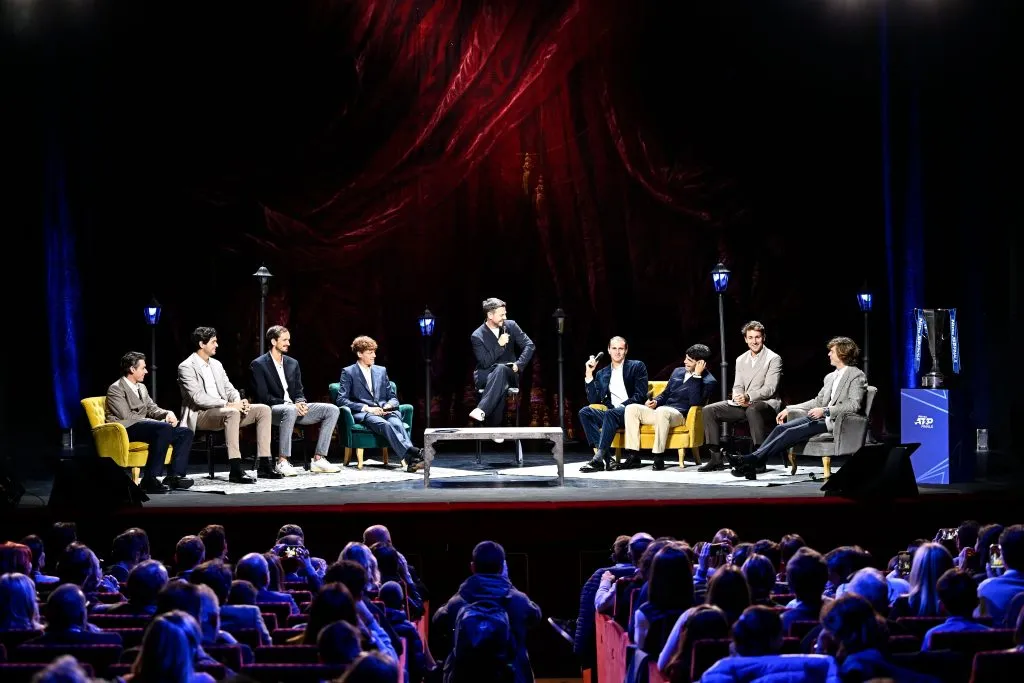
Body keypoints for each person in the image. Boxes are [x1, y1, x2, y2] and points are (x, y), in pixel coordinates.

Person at [727, 336, 867, 480]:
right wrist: (789, 409)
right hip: (821, 417)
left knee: (791, 432)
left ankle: (749, 460)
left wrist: (825, 410)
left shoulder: (856, 375)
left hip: (836, 421)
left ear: (842, 353)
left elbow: (853, 405)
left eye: (832, 351)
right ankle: (751, 463)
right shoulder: (830, 377)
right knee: (781, 428)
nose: (828, 354)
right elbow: (817, 401)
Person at [177, 326, 279, 483]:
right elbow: (198, 398)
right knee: (233, 413)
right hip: (201, 414)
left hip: (226, 411)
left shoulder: (217, 364)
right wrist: (229, 405)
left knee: (263, 410)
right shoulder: (186, 366)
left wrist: (238, 401)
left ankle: (265, 464)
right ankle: (235, 469)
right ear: (201, 344)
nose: (217, 345)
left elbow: (229, 388)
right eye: (213, 342)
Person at [250, 325, 341, 475]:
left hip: (293, 408)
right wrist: (291, 404)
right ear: (273, 341)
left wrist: (300, 401)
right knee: (291, 409)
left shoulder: (293, 363)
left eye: (289, 340)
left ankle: (319, 459)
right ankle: (282, 461)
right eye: (285, 340)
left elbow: (299, 390)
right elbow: (263, 397)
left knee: (332, 409)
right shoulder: (259, 364)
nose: (288, 343)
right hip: (272, 410)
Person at [105, 352, 194, 494]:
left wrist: (167, 413)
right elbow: (126, 416)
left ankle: (174, 476)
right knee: (163, 428)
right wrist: (157, 422)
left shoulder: (141, 387)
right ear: (132, 369)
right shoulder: (116, 388)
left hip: (145, 426)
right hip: (125, 429)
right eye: (143, 368)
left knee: (185, 432)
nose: (146, 371)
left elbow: (152, 408)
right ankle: (150, 479)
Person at [699, 321, 782, 472]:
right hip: (743, 403)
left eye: (757, 337)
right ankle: (716, 458)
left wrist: (748, 396)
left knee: (753, 410)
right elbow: (738, 385)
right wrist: (738, 396)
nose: (754, 341)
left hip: (765, 404)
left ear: (763, 337)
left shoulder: (773, 358)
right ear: (745, 339)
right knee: (708, 410)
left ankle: (759, 458)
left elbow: (770, 388)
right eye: (750, 338)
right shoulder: (741, 359)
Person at [622, 344, 717, 470]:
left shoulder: (709, 381)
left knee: (663, 411)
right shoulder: (678, 371)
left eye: (689, 360)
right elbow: (666, 394)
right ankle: (633, 456)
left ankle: (658, 456)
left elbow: (695, 402)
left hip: (680, 416)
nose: (685, 362)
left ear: (701, 363)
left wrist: (697, 376)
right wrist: (655, 401)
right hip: (662, 412)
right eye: (686, 358)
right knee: (631, 408)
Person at [337, 335, 424, 473]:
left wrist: (388, 405)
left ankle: (411, 460)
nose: (374, 355)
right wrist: (368, 408)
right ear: (360, 354)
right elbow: (341, 399)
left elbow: (393, 397)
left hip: (385, 410)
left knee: (396, 423)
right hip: (366, 413)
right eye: (370, 352)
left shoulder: (381, 371)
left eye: (374, 352)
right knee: (385, 425)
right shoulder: (348, 372)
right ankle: (413, 452)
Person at [577, 337, 649, 473]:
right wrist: (589, 373)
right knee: (584, 412)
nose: (617, 352)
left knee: (611, 412)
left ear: (626, 350)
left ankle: (597, 459)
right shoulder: (602, 373)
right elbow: (594, 399)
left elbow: (640, 395)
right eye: (614, 348)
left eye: (621, 349)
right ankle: (608, 459)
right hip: (611, 415)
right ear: (608, 350)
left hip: (630, 412)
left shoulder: (637, 366)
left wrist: (621, 406)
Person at [469, 297, 535, 427]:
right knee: (498, 376)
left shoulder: (511, 326)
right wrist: (499, 345)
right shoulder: (477, 335)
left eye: (505, 314)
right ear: (490, 315)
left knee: (501, 369)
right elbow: (484, 362)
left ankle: (482, 410)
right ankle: (495, 427)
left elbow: (530, 345)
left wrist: (519, 364)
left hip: (509, 372)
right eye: (501, 314)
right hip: (486, 374)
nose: (505, 317)